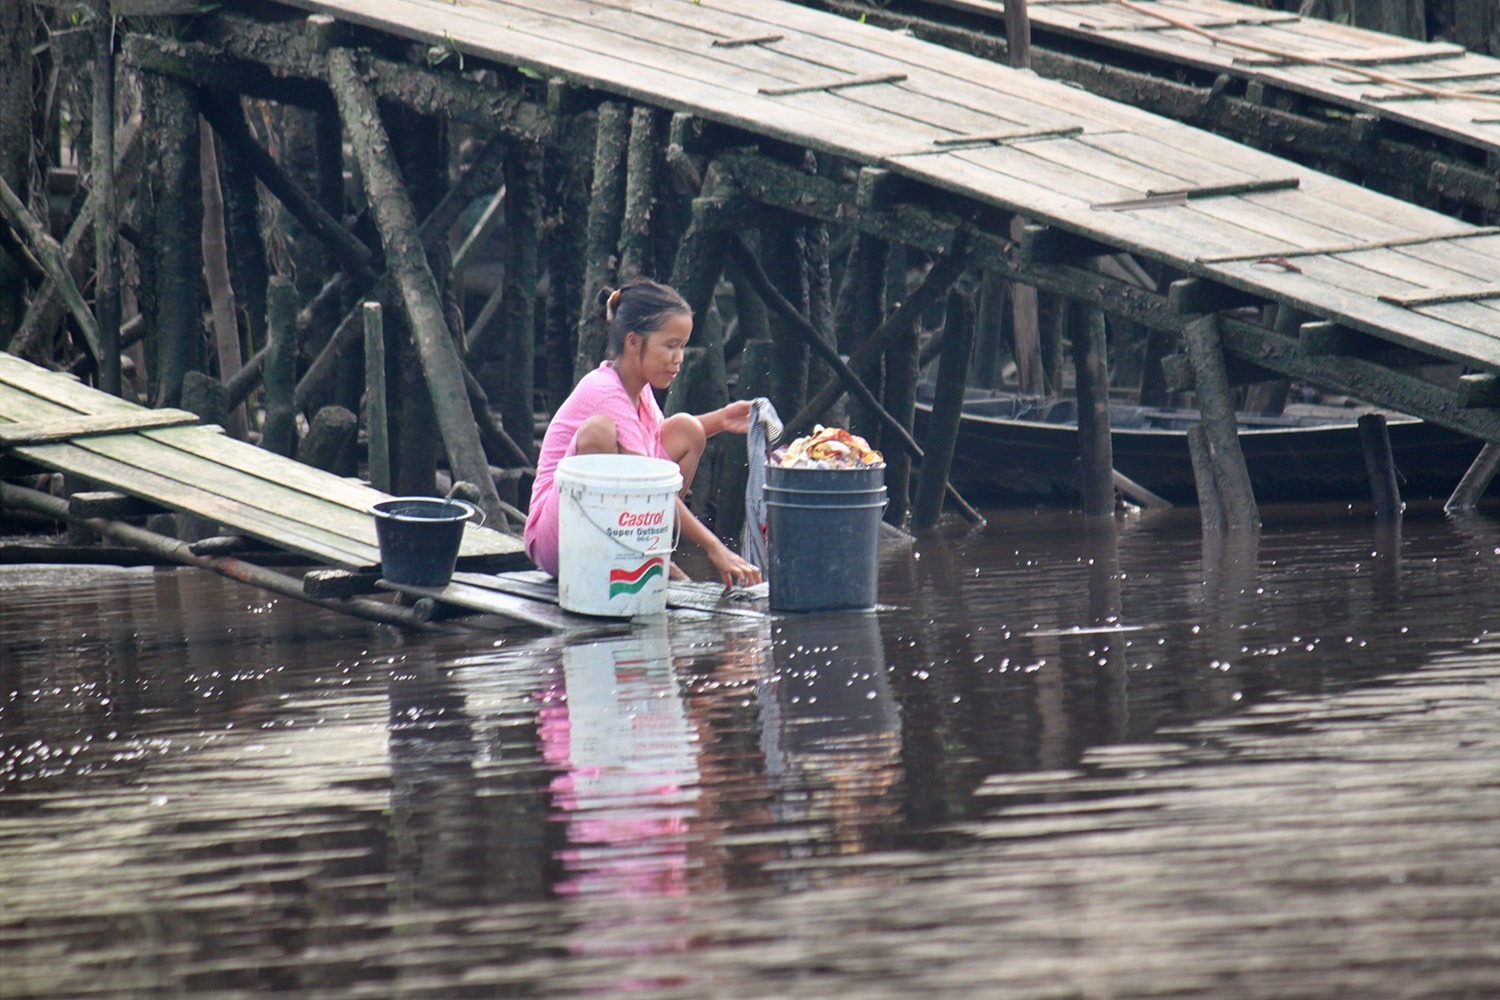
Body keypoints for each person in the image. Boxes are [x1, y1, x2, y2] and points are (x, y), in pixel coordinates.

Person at [525, 278, 763, 590]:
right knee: (600, 432)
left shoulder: (641, 392)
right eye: (670, 345)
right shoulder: (602, 390)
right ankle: (650, 555)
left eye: (682, 346)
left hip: (609, 528)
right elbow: (647, 485)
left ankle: (648, 548)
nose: (678, 358)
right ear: (634, 341)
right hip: (555, 538)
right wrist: (713, 546)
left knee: (687, 430)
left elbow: (654, 448)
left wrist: (721, 419)